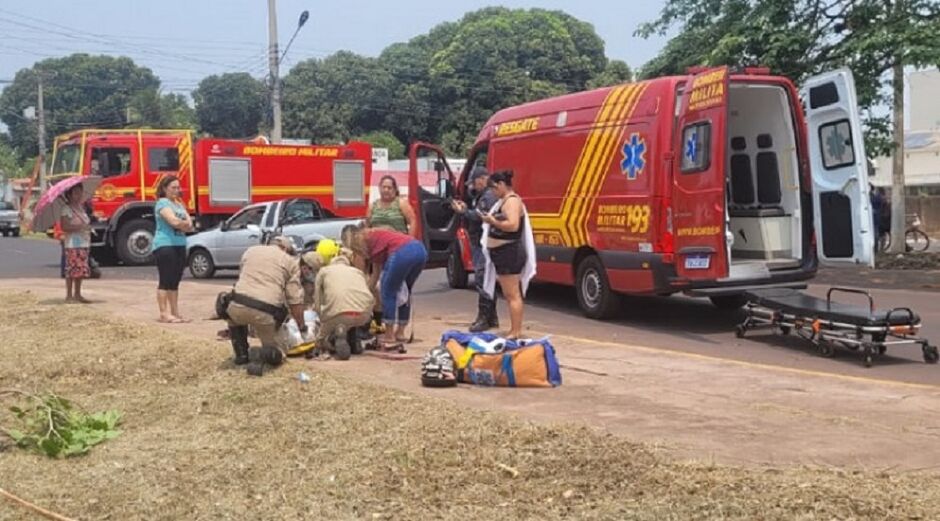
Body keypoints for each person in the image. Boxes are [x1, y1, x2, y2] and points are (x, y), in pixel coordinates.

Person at [224, 237, 314, 376]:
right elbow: (294, 301)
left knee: (234, 313)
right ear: (285, 248)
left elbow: (242, 282)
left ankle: (241, 355)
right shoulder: (290, 262)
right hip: (265, 313)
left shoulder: (250, 251)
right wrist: (302, 327)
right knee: (279, 351)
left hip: (236, 306)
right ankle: (262, 354)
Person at [348, 225, 427, 350]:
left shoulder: (370, 241)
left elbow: (375, 275)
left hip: (403, 252)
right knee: (405, 290)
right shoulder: (379, 235)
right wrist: (367, 291)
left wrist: (363, 295)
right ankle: (400, 332)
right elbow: (376, 274)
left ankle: (389, 334)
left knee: (387, 290)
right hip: (420, 250)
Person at [480, 170, 536, 340]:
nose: (493, 193)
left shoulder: (511, 202)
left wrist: (493, 221)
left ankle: (515, 330)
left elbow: (512, 225)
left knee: (513, 294)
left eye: (494, 189)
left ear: (502, 185)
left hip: (509, 251)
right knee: (509, 294)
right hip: (502, 252)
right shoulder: (503, 202)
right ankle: (514, 329)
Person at [450, 166, 500, 331]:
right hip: (482, 242)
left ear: (482, 179)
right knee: (486, 278)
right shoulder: (486, 195)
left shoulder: (487, 196)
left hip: (482, 243)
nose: (473, 187)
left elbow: (479, 217)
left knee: (482, 279)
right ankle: (491, 317)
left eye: (474, 183)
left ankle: (484, 318)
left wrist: (463, 211)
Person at [311, 248, 374, 360]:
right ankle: (354, 338)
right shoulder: (357, 272)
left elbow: (317, 299)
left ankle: (337, 333)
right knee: (351, 318)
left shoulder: (324, 271)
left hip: (338, 314)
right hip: (363, 315)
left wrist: (321, 318)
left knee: (320, 341)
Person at [153, 176, 194, 323]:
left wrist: (182, 224)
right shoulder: (162, 203)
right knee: (166, 278)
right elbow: (172, 221)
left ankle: (175, 312)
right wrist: (182, 223)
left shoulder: (178, 204)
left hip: (179, 243)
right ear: (165, 188)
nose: (176, 191)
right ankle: (164, 313)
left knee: (175, 280)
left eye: (178, 188)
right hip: (165, 244)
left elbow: (189, 223)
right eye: (173, 188)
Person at [59, 183, 92, 303]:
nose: (78, 195)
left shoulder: (81, 208)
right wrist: (80, 227)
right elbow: (65, 226)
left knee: (81, 269)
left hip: (84, 242)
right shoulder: (66, 209)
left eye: (80, 192)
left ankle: (78, 294)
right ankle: (69, 295)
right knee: (71, 269)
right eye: (75, 193)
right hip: (72, 243)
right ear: (70, 195)